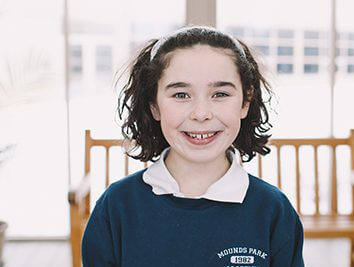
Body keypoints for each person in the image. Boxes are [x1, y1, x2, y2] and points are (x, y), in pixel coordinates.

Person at [82, 25, 304, 267]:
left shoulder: (273, 210)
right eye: (181, 95)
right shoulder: (117, 207)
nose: (201, 114)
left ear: (245, 102)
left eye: (220, 94)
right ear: (154, 106)